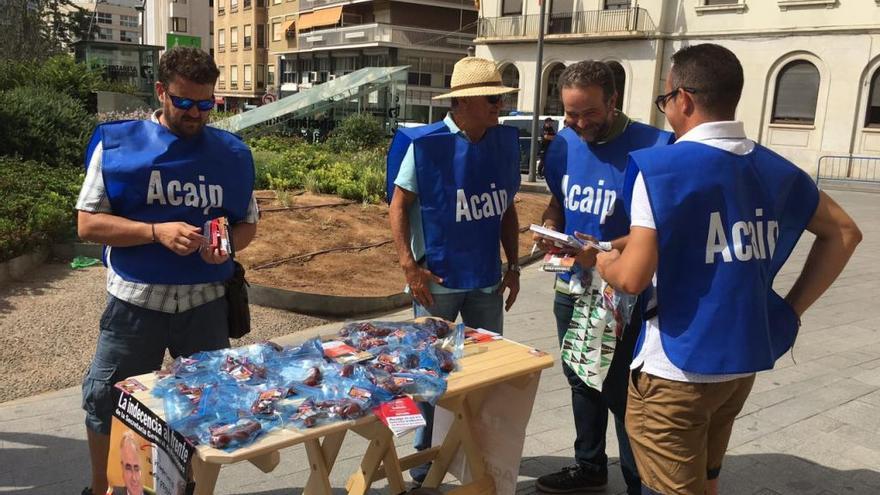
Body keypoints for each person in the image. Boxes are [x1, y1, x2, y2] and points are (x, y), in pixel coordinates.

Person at [596, 43, 862, 495]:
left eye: (665, 101)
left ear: (683, 98)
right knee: (708, 479)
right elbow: (844, 233)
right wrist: (790, 311)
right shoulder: (775, 168)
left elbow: (632, 277)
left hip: (674, 369)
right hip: (740, 363)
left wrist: (605, 261)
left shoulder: (660, 167)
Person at [77, 47, 259, 495]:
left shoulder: (233, 154)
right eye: (185, 102)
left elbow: (247, 223)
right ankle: (101, 488)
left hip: (205, 306)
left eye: (206, 104)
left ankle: (185, 486)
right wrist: (154, 232)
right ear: (161, 92)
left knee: (203, 405)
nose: (197, 114)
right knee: (106, 400)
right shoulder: (117, 144)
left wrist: (227, 245)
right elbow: (88, 224)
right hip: (136, 305)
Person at [534, 60, 673, 494]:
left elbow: (659, 227)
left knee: (620, 391)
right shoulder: (564, 145)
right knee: (580, 375)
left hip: (622, 291)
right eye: (569, 114)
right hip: (573, 283)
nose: (577, 124)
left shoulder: (655, 146)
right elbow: (559, 199)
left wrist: (605, 250)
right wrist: (549, 224)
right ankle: (589, 466)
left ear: (613, 101)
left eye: (588, 113)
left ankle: (639, 481)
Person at [388, 56, 522, 484]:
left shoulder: (503, 143)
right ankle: (424, 457)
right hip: (438, 282)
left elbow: (506, 209)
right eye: (492, 98)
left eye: (501, 97)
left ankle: (477, 449)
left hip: (485, 279)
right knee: (430, 372)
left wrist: (515, 264)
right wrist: (408, 264)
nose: (499, 104)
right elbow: (398, 204)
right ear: (465, 101)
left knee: (489, 372)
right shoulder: (425, 145)